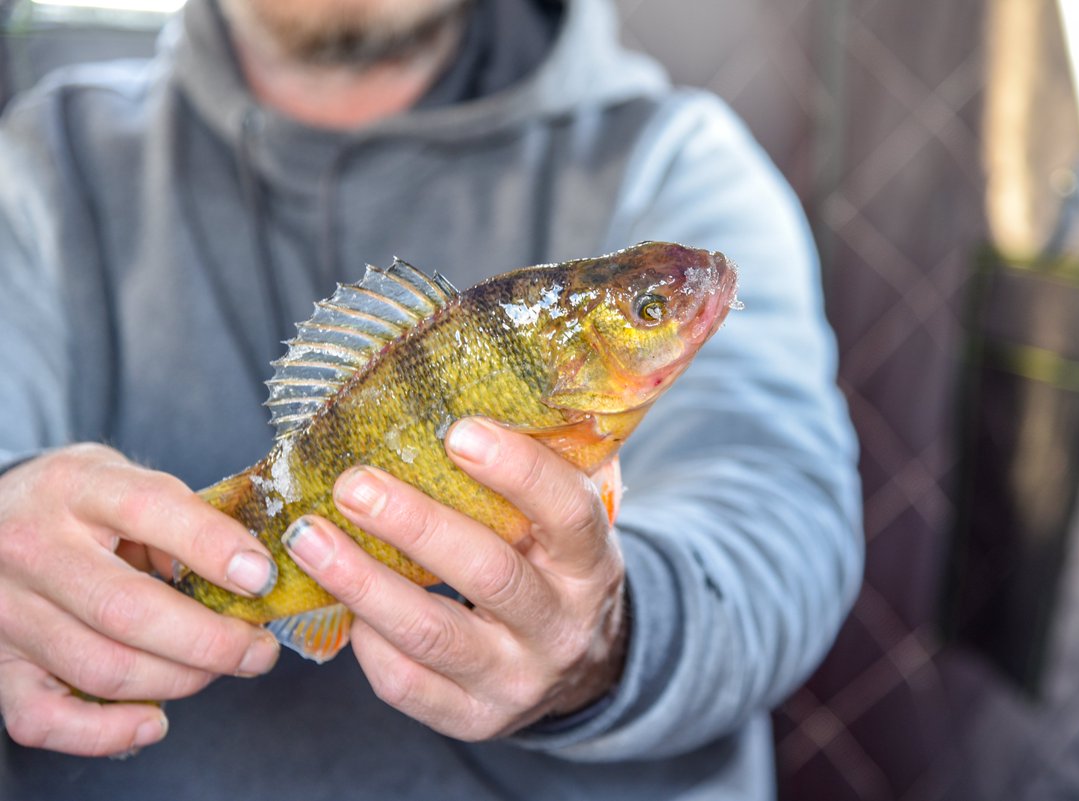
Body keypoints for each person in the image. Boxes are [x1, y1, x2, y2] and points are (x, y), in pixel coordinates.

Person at [0, 0, 863, 798]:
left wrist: (610, 635)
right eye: (647, 312)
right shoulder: (43, 165)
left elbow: (782, 520)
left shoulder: (682, 157)